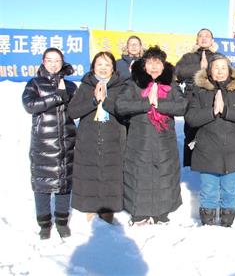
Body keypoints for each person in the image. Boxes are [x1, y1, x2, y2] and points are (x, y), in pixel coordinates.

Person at [115, 46, 187, 225]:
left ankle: (162, 213)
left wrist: (159, 104)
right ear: (144, 65)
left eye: (158, 63)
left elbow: (182, 106)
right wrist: (146, 103)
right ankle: (139, 213)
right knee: (139, 176)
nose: (154, 67)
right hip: (140, 141)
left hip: (164, 141)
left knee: (164, 175)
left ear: (164, 66)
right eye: (150, 63)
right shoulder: (133, 83)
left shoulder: (171, 85)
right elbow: (121, 106)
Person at [185, 54, 235, 227]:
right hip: (207, 150)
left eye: (224, 67)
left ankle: (226, 225)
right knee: (208, 191)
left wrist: (225, 111)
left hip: (234, 151)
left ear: (230, 71)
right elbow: (191, 118)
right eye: (216, 67)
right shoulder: (199, 91)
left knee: (229, 191)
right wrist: (212, 111)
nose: (220, 71)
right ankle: (208, 226)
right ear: (209, 71)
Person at [22, 47, 77, 239]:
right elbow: (29, 105)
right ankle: (44, 224)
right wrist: (56, 97)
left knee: (64, 184)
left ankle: (62, 221)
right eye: (50, 60)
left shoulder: (71, 86)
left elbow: (76, 111)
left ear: (62, 63)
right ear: (43, 62)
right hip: (43, 144)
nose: (54, 64)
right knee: (42, 185)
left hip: (67, 142)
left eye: (57, 60)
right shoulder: (34, 83)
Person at [68, 52, 126, 225]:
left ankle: (108, 209)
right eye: (99, 64)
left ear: (113, 69)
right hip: (89, 137)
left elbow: (124, 111)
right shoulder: (85, 86)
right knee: (90, 172)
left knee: (110, 173)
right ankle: (91, 207)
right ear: (93, 66)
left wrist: (106, 101)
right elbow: (73, 112)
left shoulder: (120, 87)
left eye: (107, 64)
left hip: (113, 136)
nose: (103, 68)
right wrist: (94, 101)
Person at [175, 28, 220, 167]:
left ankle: (213, 162)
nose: (204, 38)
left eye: (207, 36)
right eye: (201, 36)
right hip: (192, 97)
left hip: (212, 98)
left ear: (212, 40)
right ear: (197, 39)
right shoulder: (188, 56)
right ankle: (190, 162)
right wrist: (198, 67)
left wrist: (209, 69)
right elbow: (177, 72)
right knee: (191, 129)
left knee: (212, 130)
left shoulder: (219, 57)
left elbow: (226, 73)